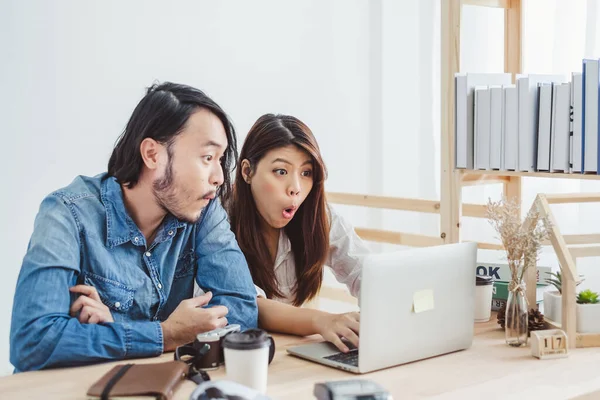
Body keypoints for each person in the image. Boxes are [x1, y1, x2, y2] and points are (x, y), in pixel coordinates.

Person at [10, 82, 258, 372]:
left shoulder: (202, 211)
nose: (218, 176)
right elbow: (33, 341)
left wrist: (121, 327)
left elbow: (242, 309)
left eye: (220, 159)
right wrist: (164, 334)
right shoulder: (66, 214)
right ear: (153, 154)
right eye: (207, 158)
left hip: (147, 385)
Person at [227, 113, 370, 353]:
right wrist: (321, 320)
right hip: (238, 356)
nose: (295, 188)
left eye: (306, 173)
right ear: (247, 172)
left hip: (287, 353)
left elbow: (365, 271)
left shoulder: (317, 215)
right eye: (281, 171)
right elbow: (247, 304)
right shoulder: (219, 218)